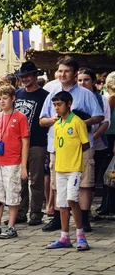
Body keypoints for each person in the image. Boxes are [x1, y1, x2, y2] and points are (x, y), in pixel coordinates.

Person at [40, 56, 103, 233]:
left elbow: (99, 116)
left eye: (67, 71)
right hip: (57, 147)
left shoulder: (85, 94)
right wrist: (51, 120)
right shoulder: (52, 94)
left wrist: (82, 123)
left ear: (75, 74)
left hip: (81, 147)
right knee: (57, 183)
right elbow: (41, 120)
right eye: (60, 71)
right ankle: (59, 218)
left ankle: (83, 218)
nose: (62, 74)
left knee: (84, 182)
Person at [46, 91, 90, 250]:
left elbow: (86, 144)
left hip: (74, 169)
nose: (56, 108)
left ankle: (80, 234)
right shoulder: (57, 125)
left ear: (69, 103)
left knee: (72, 199)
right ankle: (64, 237)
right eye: (55, 105)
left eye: (60, 105)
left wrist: (74, 156)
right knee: (62, 204)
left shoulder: (78, 122)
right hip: (60, 168)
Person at [0, 84, 30, 239]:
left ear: (13, 99)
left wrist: (24, 166)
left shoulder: (20, 117)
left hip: (13, 161)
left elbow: (25, 142)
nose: (2, 101)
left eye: (5, 98)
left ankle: (11, 225)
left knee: (12, 193)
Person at [14, 61, 50, 226]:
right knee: (19, 180)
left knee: (36, 179)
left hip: (37, 142)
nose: (25, 79)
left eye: (28, 76)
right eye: (22, 76)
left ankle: (36, 213)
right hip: (18, 143)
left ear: (35, 76)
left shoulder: (45, 95)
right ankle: (20, 213)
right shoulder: (18, 94)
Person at [78, 67, 110, 229]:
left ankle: (87, 210)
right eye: (80, 80)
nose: (83, 83)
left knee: (91, 180)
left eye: (86, 80)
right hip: (77, 146)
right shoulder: (75, 96)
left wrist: (92, 137)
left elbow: (105, 121)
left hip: (96, 144)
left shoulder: (101, 99)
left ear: (93, 82)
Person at [99, 71, 115, 215]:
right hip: (111, 137)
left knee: (109, 174)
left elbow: (106, 118)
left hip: (110, 137)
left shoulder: (111, 98)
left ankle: (108, 205)